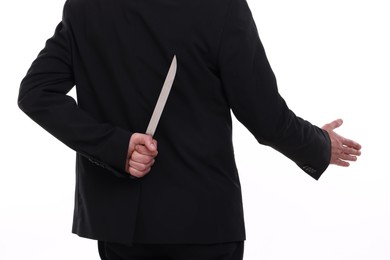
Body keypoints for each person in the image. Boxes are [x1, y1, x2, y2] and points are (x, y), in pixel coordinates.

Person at [18, 0, 361, 259]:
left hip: (120, 230)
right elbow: (265, 119)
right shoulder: (219, 6)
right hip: (203, 225)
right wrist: (319, 145)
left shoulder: (86, 7)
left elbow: (36, 94)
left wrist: (115, 147)